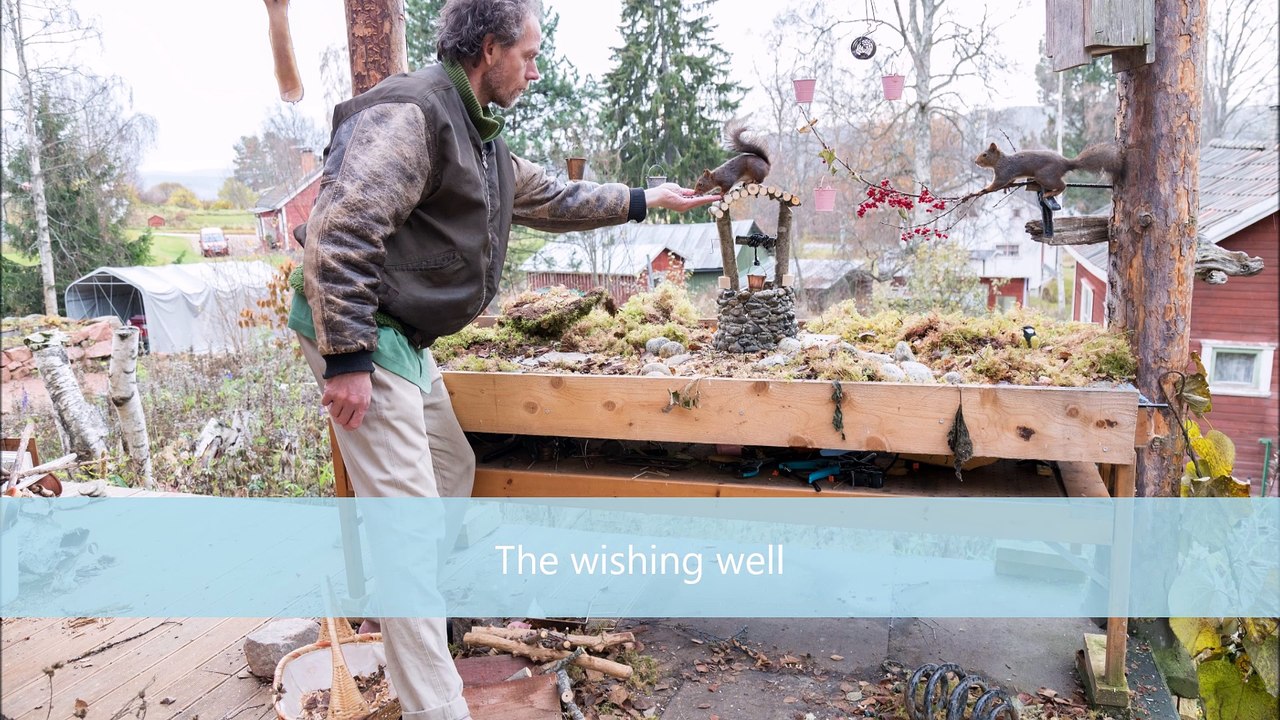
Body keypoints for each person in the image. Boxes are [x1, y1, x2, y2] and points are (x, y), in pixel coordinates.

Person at [287, 0, 718, 717]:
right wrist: (346, 362)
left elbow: (552, 195)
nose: (537, 67)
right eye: (530, 52)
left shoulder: (477, 134)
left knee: (451, 468)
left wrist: (646, 199)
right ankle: (434, 700)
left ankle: (413, 618)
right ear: (488, 48)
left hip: (405, 337)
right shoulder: (414, 117)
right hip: (363, 333)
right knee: (408, 529)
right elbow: (339, 232)